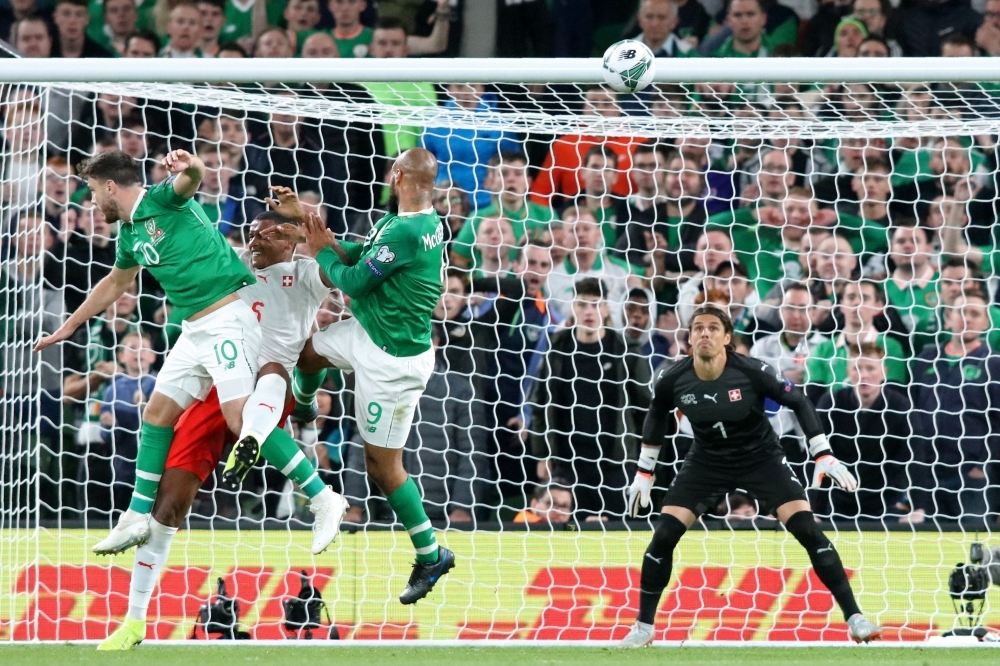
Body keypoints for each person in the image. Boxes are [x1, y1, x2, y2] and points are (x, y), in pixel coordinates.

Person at [97, 204, 349, 651]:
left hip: (270, 384)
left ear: (290, 240)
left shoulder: (308, 272)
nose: (253, 241)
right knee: (168, 504)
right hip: (217, 386)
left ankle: (319, 495)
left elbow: (348, 266)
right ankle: (134, 622)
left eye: (265, 235)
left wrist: (314, 233)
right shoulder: (232, 265)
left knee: (272, 373)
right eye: (250, 234)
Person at [33, 149, 263, 557]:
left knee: (238, 419)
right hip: (195, 329)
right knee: (156, 414)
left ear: (109, 186)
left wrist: (190, 163)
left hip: (227, 317)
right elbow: (114, 283)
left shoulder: (161, 198)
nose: (90, 201)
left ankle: (318, 494)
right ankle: (135, 515)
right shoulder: (128, 234)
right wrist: (70, 325)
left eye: (90, 191)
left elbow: (192, 179)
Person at [620, 305, 880, 647]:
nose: (705, 334)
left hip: (761, 458)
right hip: (706, 461)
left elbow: (799, 401)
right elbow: (655, 415)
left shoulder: (753, 371)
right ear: (689, 338)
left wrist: (823, 453)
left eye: (714, 328)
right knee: (664, 534)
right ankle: (644, 626)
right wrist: (644, 472)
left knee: (806, 529)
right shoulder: (672, 377)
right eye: (698, 328)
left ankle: (855, 618)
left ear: (727, 338)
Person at [266, 147, 455, 605]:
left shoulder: (409, 230)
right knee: (308, 355)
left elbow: (350, 282)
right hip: (372, 332)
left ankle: (432, 554)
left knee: (382, 469)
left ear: (397, 175)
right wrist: (313, 225)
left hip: (392, 363)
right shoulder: (412, 221)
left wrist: (315, 251)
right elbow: (360, 253)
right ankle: (307, 409)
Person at [530, 278, 651, 521]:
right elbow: (540, 406)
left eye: (595, 304)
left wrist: (646, 463)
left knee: (616, 532)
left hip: (614, 463)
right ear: (573, 308)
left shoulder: (625, 350)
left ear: (606, 309)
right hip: (566, 462)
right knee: (568, 536)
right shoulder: (558, 348)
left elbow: (646, 409)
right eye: (582, 304)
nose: (589, 311)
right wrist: (542, 454)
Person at [907, 290, 1000, 524]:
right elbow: (912, 410)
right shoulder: (926, 358)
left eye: (974, 313)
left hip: (971, 474)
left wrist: (982, 464)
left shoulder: (994, 364)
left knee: (973, 546)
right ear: (948, 316)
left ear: (986, 321)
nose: (966, 318)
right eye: (960, 311)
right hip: (926, 471)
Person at [814, 342, 912, 520]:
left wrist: (917, 507)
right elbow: (817, 457)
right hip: (838, 504)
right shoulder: (831, 404)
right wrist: (814, 509)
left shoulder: (900, 406)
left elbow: (915, 455)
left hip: (886, 504)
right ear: (847, 373)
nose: (864, 375)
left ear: (884, 372)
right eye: (857, 368)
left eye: (870, 368)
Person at [99, 331, 158, 513]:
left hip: (153, 465)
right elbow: (107, 436)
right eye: (132, 348)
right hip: (123, 468)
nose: (138, 352)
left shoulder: (160, 384)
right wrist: (109, 425)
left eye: (144, 348)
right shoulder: (113, 389)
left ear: (153, 356)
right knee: (123, 513)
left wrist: (147, 407)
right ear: (121, 356)